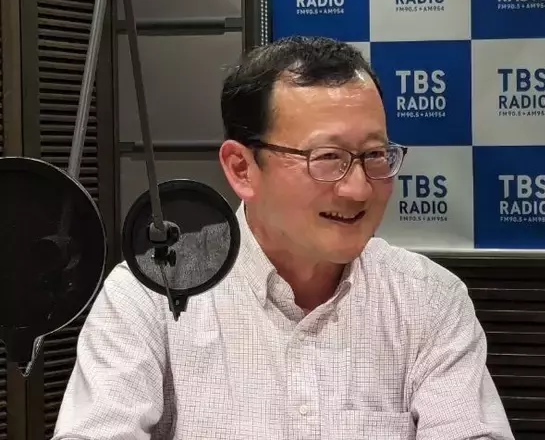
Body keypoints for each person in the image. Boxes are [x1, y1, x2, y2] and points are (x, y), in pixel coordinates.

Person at [52, 36, 514, 439]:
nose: (358, 189)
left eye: (375, 155)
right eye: (327, 158)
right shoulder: (149, 295)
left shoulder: (429, 300)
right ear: (241, 168)